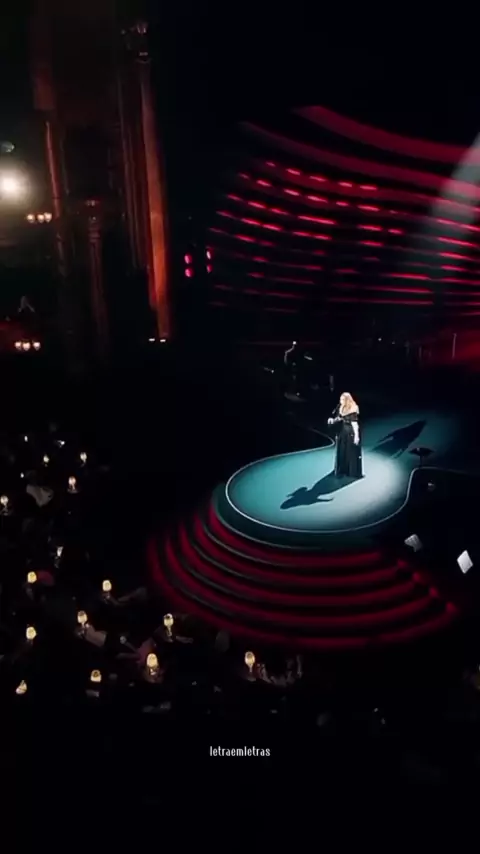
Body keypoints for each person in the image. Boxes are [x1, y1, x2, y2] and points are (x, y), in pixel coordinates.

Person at [328, 392, 363, 479]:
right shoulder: (340, 407)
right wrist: (333, 420)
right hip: (342, 432)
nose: (341, 401)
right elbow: (339, 418)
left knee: (350, 452)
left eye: (343, 399)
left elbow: (355, 424)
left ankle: (351, 471)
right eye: (341, 399)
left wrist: (356, 436)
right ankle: (342, 469)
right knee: (342, 451)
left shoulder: (353, 409)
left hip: (350, 433)